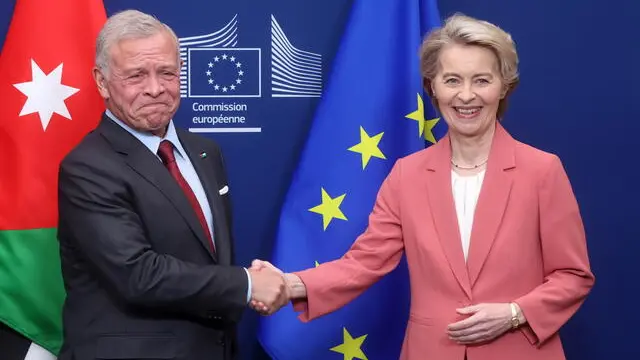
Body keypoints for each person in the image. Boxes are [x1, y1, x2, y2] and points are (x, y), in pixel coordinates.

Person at [252, 13, 595, 360]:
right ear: (432, 86)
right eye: (452, 80)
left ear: (503, 85)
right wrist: (289, 284)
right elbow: (363, 263)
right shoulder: (407, 175)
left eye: (481, 80)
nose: (466, 95)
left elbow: (573, 276)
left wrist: (514, 313)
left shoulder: (542, 171)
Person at [56, 10, 287, 360]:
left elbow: (208, 257)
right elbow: (139, 275)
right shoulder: (87, 167)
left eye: (167, 72)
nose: (155, 88)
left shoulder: (205, 152)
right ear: (102, 82)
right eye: (136, 76)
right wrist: (249, 284)